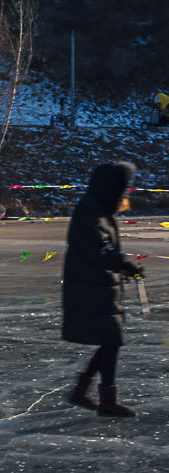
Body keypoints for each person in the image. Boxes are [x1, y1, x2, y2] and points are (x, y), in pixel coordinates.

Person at [66, 161, 145, 416]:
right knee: (111, 340)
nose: (125, 193)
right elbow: (97, 248)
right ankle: (104, 399)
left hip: (99, 284)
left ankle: (83, 392)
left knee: (110, 340)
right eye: (123, 187)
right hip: (92, 286)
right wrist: (123, 263)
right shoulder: (91, 211)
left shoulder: (97, 208)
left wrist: (121, 267)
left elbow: (102, 250)